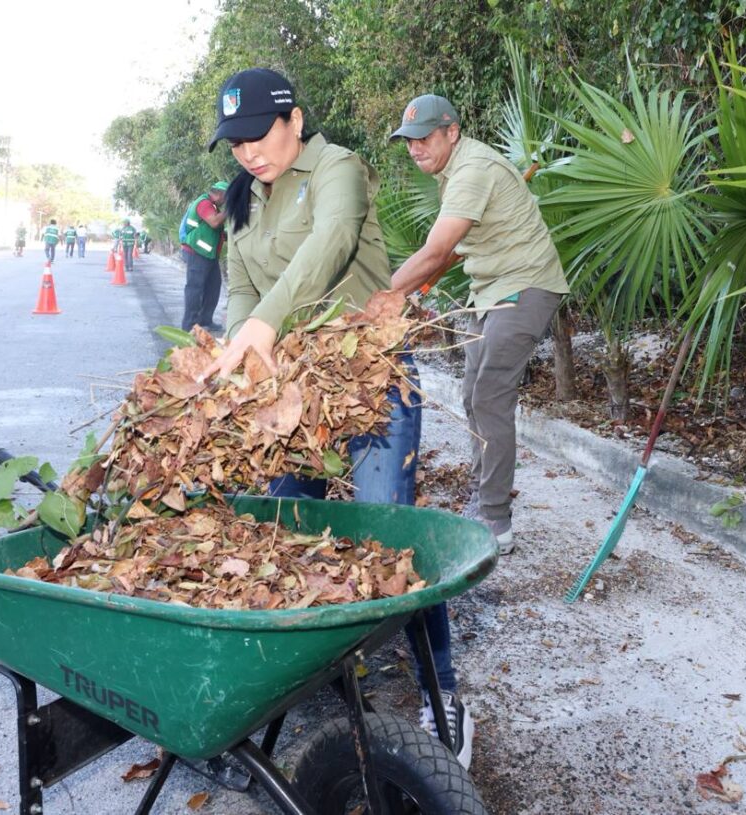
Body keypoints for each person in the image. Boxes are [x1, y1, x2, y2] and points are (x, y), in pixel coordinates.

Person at [202, 68, 473, 768]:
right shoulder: (243, 199)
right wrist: (240, 357)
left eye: (258, 135)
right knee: (284, 527)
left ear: (294, 120)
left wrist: (265, 323)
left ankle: (442, 690)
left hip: (371, 379)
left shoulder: (338, 169)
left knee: (390, 535)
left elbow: (330, 243)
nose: (248, 152)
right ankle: (308, 677)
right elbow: (241, 290)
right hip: (295, 391)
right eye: (235, 143)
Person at [388, 94, 569, 556]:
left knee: (489, 394)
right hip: (488, 290)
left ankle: (495, 521)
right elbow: (450, 250)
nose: (415, 148)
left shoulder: (472, 170)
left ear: (452, 132)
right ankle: (481, 495)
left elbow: (435, 251)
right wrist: (413, 288)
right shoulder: (453, 173)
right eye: (409, 141)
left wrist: (386, 295)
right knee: (471, 394)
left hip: (525, 286)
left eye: (424, 138)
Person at [179, 182, 227, 332]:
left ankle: (205, 320)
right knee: (195, 288)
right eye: (226, 197)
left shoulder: (214, 206)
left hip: (209, 254)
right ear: (220, 194)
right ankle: (189, 325)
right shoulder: (204, 203)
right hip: (197, 252)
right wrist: (231, 209)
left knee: (213, 287)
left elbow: (211, 229)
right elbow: (214, 222)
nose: (226, 201)